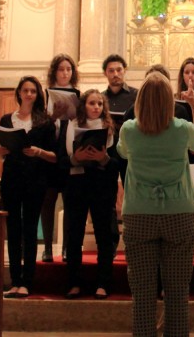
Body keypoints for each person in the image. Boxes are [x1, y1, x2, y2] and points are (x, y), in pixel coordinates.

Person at [117, 73, 194, 337]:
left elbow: (122, 151)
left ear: (140, 101)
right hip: (178, 213)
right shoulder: (182, 128)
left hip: (139, 213)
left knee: (142, 296)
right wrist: (193, 105)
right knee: (178, 295)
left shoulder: (129, 129)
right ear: (170, 101)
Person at [0, 76, 57, 299]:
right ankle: (15, 281)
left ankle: (27, 282)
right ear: (19, 93)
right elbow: (3, 149)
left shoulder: (45, 122)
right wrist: (1, 151)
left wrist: (38, 152)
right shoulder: (6, 119)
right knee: (13, 229)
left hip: (35, 180)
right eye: (25, 90)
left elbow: (54, 156)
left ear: (37, 94)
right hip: (11, 179)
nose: (29, 94)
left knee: (30, 229)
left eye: (33, 91)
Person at [63, 89, 117, 299]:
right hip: (77, 184)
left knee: (104, 236)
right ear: (83, 105)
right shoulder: (72, 125)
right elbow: (62, 159)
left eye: (100, 104)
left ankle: (103, 283)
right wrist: (75, 158)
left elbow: (117, 163)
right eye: (92, 103)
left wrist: (104, 158)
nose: (96, 107)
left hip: (101, 186)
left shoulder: (109, 127)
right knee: (74, 235)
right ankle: (73, 283)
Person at [41, 53, 79, 262]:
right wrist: (53, 117)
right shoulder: (45, 96)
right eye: (61, 69)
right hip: (49, 155)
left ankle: (66, 247)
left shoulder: (76, 95)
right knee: (48, 201)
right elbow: (40, 128)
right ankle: (47, 247)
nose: (65, 73)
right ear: (54, 72)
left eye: (68, 69)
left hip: (68, 155)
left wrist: (74, 117)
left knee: (69, 203)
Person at [102, 54, 139, 255]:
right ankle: (111, 242)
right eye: (111, 71)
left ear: (125, 71)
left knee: (132, 196)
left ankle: (133, 238)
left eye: (119, 70)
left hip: (130, 153)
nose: (115, 74)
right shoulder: (100, 98)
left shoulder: (136, 96)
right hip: (107, 153)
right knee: (108, 197)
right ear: (105, 73)